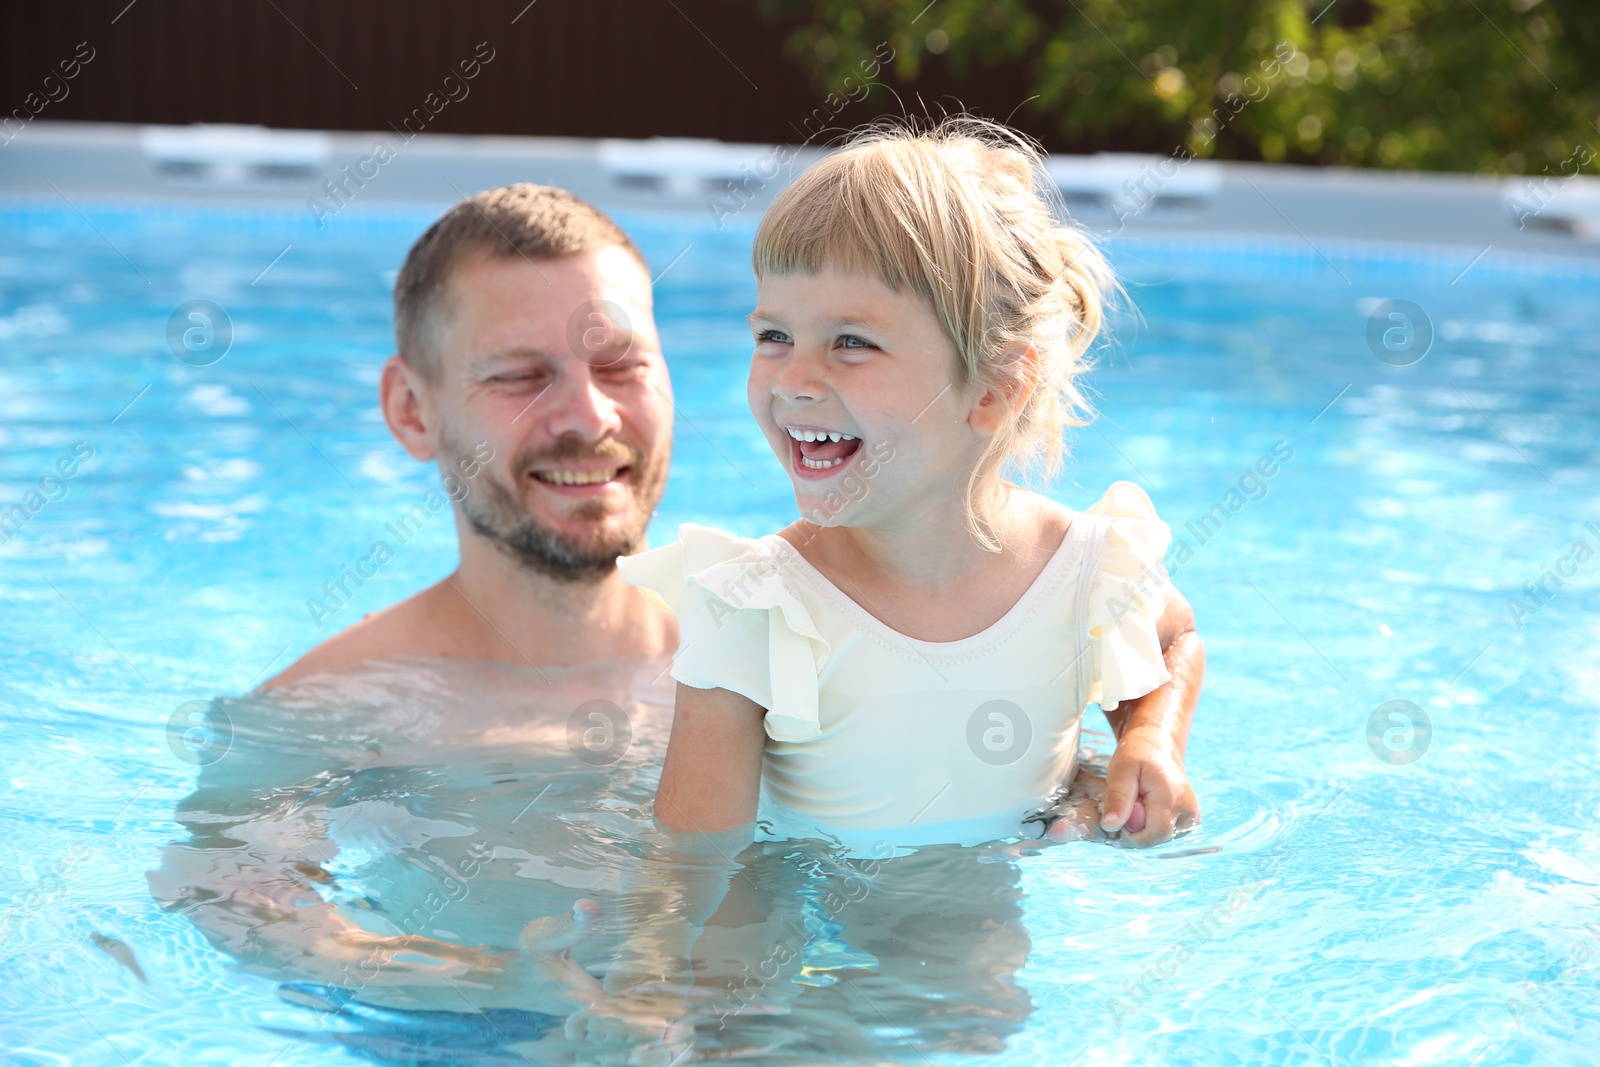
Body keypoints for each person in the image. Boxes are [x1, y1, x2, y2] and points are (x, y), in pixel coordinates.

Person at [619, 117, 1205, 849]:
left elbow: (1175, 638)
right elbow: (695, 868)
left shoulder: (1082, 568)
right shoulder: (762, 608)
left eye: (852, 342)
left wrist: (1148, 740)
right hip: (822, 930)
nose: (795, 380)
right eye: (774, 335)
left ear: (995, 388)